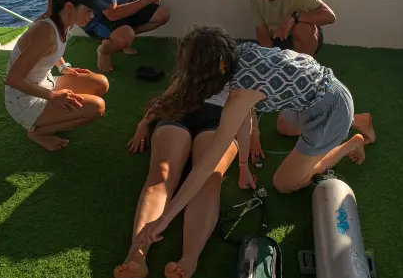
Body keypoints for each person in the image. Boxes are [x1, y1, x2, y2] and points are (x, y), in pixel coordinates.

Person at [134, 27, 376, 247]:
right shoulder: (239, 52)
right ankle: (358, 119)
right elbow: (247, 118)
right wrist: (242, 165)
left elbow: (207, 164)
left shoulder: (240, 94)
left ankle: (352, 142)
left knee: (285, 183)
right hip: (311, 93)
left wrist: (166, 218)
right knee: (284, 127)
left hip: (329, 112)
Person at [116, 47, 257, 278]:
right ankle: (137, 254)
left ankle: (188, 261)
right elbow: (165, 101)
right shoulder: (185, 77)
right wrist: (144, 123)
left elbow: (249, 112)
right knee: (161, 174)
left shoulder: (239, 80)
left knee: (209, 180)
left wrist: (253, 141)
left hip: (219, 120)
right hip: (178, 115)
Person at [4, 0, 110, 151]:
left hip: (46, 83)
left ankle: (57, 117)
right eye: (89, 10)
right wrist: (53, 97)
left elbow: (51, 52)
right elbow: (13, 79)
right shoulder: (45, 32)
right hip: (23, 100)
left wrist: (63, 67)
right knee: (97, 108)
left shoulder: (63, 21)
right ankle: (38, 132)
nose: (92, 15)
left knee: (100, 83)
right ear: (69, 7)